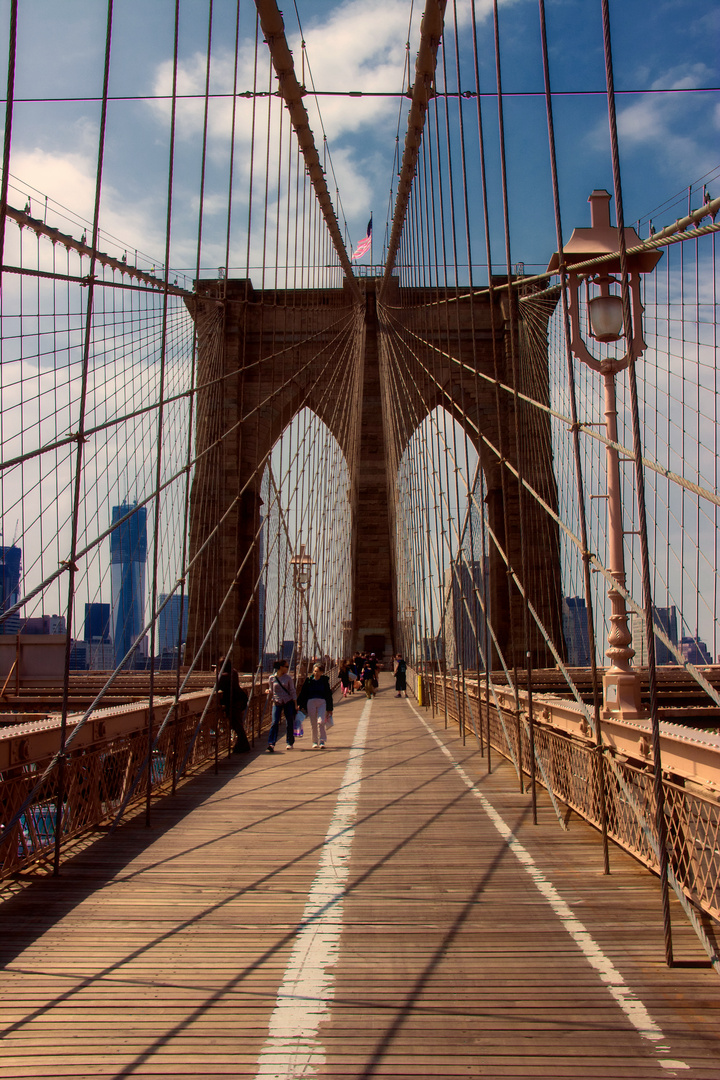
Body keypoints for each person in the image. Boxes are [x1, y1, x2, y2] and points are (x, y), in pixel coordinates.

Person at [216, 655, 250, 753]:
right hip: (240, 699)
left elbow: (218, 686)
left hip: (232, 702)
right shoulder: (234, 673)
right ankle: (241, 745)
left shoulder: (223, 676)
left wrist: (218, 674)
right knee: (238, 724)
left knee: (236, 724)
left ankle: (244, 745)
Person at [296, 662, 334, 748]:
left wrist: (330, 708)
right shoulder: (309, 681)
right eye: (314, 671)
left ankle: (322, 740)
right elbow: (303, 693)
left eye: (317, 671)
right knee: (313, 723)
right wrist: (299, 704)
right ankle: (314, 741)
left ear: (321, 672)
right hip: (311, 702)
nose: (315, 673)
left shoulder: (324, 681)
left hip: (322, 702)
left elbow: (328, 695)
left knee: (320, 722)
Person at [267, 658, 297, 753]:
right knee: (274, 722)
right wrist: (268, 691)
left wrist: (295, 704)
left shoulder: (288, 678)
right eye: (286, 666)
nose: (288, 668)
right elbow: (271, 690)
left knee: (289, 722)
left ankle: (289, 742)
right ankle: (271, 744)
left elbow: (292, 691)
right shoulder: (271, 678)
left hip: (288, 702)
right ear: (281, 667)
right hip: (277, 702)